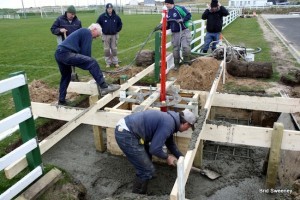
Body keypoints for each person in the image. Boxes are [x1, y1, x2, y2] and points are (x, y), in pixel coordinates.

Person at [115, 109, 196, 194]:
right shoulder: (168, 124)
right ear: (186, 123)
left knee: (148, 160)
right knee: (147, 171)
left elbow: (170, 144)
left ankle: (143, 176)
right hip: (126, 133)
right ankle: (137, 195)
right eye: (189, 127)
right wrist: (167, 157)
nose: (188, 129)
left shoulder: (170, 120)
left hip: (132, 130)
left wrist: (182, 159)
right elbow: (154, 149)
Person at [55, 23, 120, 105]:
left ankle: (61, 100)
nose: (96, 37)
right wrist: (95, 68)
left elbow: (82, 54)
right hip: (66, 53)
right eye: (98, 34)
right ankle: (104, 87)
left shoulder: (83, 32)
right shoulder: (87, 32)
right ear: (94, 29)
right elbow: (86, 55)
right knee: (92, 62)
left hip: (59, 53)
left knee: (66, 77)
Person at [165, 0, 192, 70]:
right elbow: (168, 25)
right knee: (175, 50)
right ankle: (176, 65)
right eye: (166, 4)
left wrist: (182, 20)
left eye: (167, 4)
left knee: (186, 47)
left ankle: (186, 63)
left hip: (183, 31)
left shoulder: (180, 8)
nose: (166, 5)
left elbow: (189, 15)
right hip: (175, 33)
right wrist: (163, 27)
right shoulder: (167, 12)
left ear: (171, 3)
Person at [96, 3, 123, 68]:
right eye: (108, 9)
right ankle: (108, 63)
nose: (110, 10)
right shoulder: (102, 16)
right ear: (106, 9)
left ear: (112, 8)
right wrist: (101, 31)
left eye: (111, 8)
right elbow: (97, 24)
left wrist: (117, 30)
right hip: (105, 35)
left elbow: (120, 24)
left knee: (114, 49)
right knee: (106, 49)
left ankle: (115, 62)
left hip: (114, 35)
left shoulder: (116, 16)